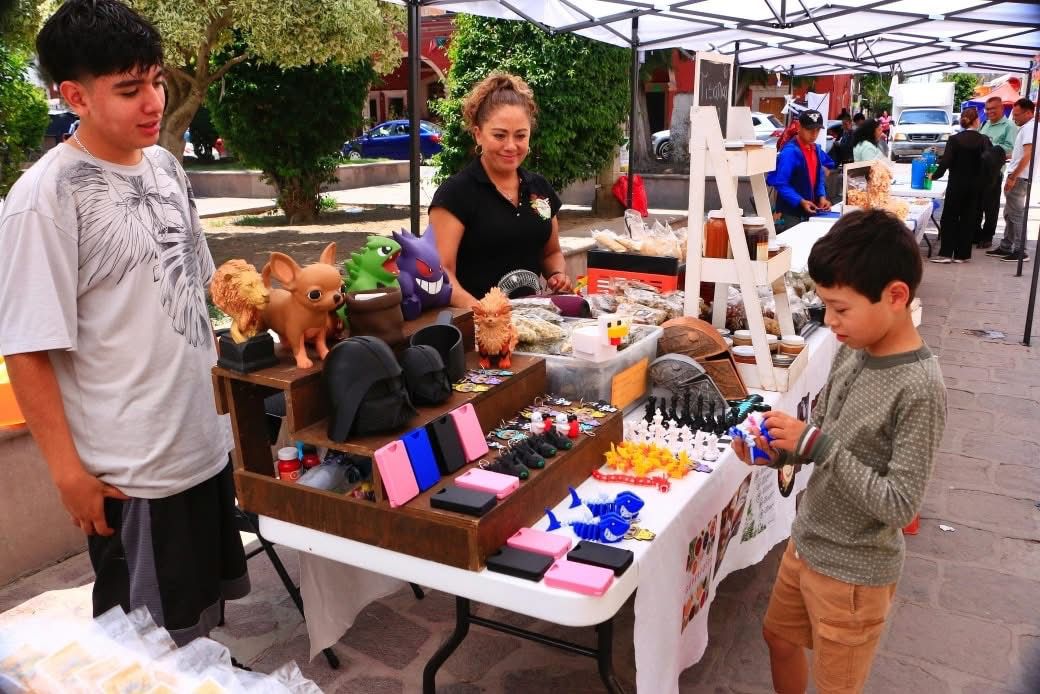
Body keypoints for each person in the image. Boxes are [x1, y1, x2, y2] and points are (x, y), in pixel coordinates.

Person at [0, 0, 248, 647]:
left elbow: (201, 289)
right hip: (132, 474)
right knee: (143, 650)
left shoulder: (165, 166)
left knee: (201, 625)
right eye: (130, 88)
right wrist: (66, 475)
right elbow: (26, 347)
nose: (154, 102)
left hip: (200, 442)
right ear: (75, 96)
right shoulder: (43, 199)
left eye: (157, 80)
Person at [734, 208, 946, 694]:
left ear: (895, 296)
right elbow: (824, 433)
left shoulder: (919, 387)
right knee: (778, 637)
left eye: (840, 308)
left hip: (855, 573)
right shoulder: (854, 347)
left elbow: (900, 504)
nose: (829, 320)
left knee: (837, 683)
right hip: (808, 540)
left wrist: (815, 444)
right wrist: (779, 451)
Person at [429, 72, 572, 306]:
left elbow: (551, 253)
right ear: (478, 135)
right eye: (499, 135)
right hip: (477, 328)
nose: (511, 146)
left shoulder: (539, 188)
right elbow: (442, 274)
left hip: (534, 321)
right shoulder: (455, 194)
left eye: (520, 136)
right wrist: (484, 313)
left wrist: (557, 275)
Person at [928, 108, 989, 263]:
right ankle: (963, 254)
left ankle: (946, 253)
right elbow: (989, 162)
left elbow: (946, 162)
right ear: (976, 121)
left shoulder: (954, 140)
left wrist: (934, 176)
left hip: (956, 184)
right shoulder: (984, 140)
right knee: (969, 219)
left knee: (950, 217)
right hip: (975, 186)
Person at [986, 98, 1037, 263]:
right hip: (1018, 175)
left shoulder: (1030, 128)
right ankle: (1006, 245)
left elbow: (1028, 154)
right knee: (1009, 213)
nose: (1014, 118)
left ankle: (1020, 250)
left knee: (1016, 214)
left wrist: (1013, 176)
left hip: (1020, 177)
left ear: (1029, 112)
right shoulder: (1027, 127)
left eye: (1017, 114)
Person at [771, 110, 831, 231]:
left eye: (817, 130)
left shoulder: (816, 149)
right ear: (799, 127)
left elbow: (819, 177)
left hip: (811, 210)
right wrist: (800, 201)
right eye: (810, 130)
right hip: (791, 213)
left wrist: (822, 197)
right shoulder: (790, 152)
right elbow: (781, 184)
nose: (814, 134)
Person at [977, 95, 1018, 249]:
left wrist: (991, 147)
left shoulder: (1009, 126)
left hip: (994, 173)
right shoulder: (984, 124)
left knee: (990, 207)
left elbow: (1012, 149)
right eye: (987, 109)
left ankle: (987, 236)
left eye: (993, 108)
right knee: (977, 205)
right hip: (979, 171)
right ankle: (976, 234)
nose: (989, 112)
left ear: (1001, 108)